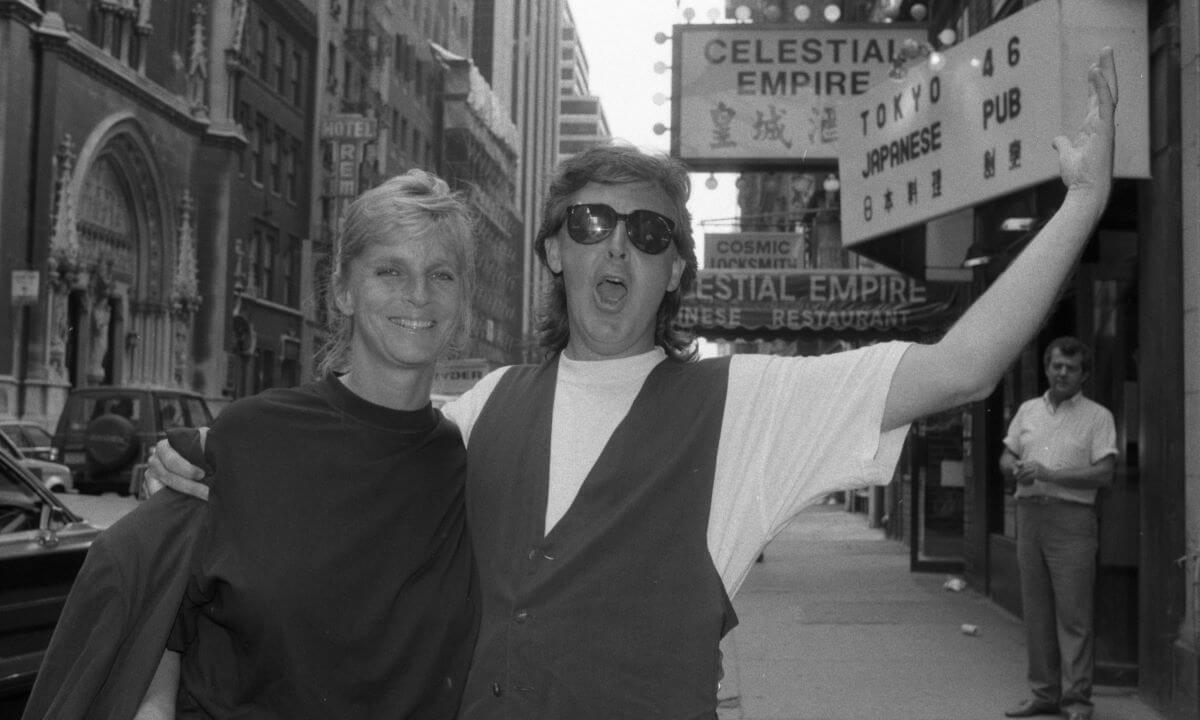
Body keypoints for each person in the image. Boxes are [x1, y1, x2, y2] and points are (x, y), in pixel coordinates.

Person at [148, 49, 1118, 718]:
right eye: (591, 225)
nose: (619, 248)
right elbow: (342, 482)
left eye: (649, 235)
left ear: (676, 274)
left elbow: (961, 367)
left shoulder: (744, 410)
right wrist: (203, 478)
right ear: (555, 255)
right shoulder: (479, 412)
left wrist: (1082, 201)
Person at [25, 169, 479, 720]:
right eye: (390, 269)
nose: (418, 294)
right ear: (342, 289)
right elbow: (153, 598)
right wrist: (154, 703)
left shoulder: (467, 461)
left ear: (463, 301)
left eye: (442, 274)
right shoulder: (250, 436)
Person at [1000, 337, 1117, 720]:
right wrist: (1012, 467)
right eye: (1056, 365)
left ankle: (1077, 701)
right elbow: (1007, 454)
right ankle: (1043, 694)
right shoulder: (1028, 410)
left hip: (1072, 521)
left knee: (1074, 614)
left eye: (1070, 367)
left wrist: (1051, 474)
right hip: (1030, 515)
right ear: (1047, 368)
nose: (1061, 372)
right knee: (1036, 611)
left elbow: (1104, 472)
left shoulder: (1098, 417)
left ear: (1083, 375)